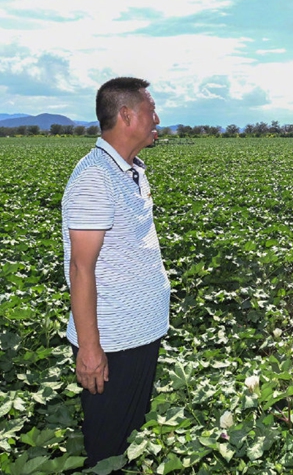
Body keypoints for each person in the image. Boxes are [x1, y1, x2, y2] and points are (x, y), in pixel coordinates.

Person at [61, 77, 169, 467]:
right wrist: (90, 349)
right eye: (150, 109)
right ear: (126, 115)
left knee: (131, 436)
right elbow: (81, 268)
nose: (157, 118)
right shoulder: (95, 177)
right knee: (108, 449)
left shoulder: (130, 170)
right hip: (113, 343)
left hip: (139, 334)